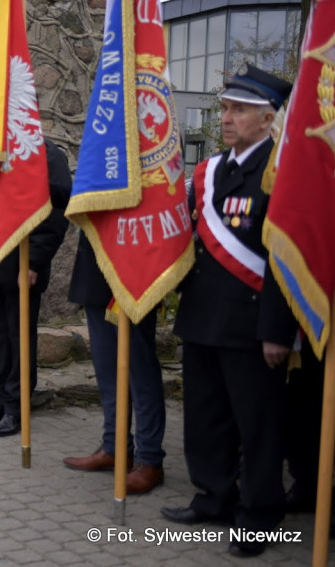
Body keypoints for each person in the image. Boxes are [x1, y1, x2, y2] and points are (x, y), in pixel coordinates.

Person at [161, 63, 297, 558]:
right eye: (224, 108)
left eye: (239, 109)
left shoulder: (282, 173)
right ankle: (213, 495)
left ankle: (259, 516)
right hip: (203, 315)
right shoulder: (214, 168)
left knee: (257, 425)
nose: (226, 117)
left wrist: (278, 331)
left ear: (268, 119)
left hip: (253, 322)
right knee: (205, 416)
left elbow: (285, 258)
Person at [0, 140, 70, 437]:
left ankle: (16, 405)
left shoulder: (46, 154)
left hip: (21, 263)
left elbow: (56, 212)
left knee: (18, 336)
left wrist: (34, 261)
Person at [61, 233, 165, 494]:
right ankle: (114, 447)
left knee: (140, 372)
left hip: (135, 263)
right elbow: (70, 195)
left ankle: (149, 459)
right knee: (108, 371)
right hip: (98, 267)